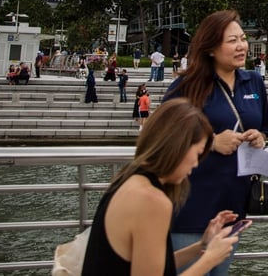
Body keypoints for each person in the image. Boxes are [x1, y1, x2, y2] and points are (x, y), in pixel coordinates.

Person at [81, 98, 240, 276]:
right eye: (197, 153)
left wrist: (201, 247)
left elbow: (153, 265)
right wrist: (210, 259)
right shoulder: (152, 201)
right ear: (178, 146)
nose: (196, 164)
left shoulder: (129, 180)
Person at [164, 10, 268, 276]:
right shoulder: (187, 85)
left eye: (243, 39)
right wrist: (211, 141)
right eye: (232, 40)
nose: (241, 46)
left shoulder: (254, 81)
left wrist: (258, 137)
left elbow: (264, 128)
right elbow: (162, 135)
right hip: (192, 203)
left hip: (233, 204)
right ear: (210, 48)